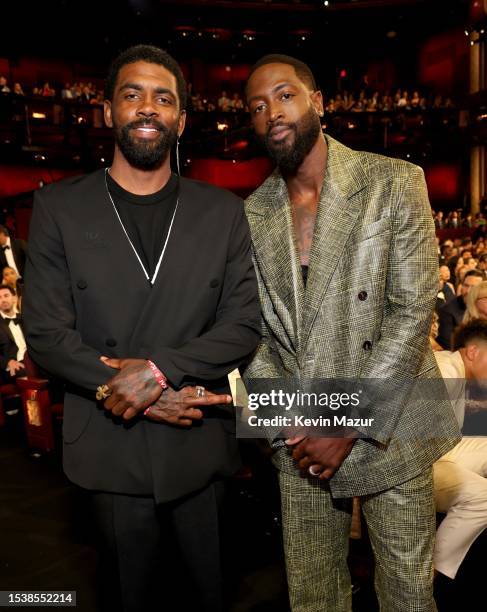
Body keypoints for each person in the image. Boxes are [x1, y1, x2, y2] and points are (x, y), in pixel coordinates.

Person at [23, 44, 260, 612]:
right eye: (132, 95)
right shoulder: (58, 205)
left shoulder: (222, 210)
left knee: (210, 595)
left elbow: (243, 323)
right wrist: (148, 397)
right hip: (109, 443)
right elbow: (48, 333)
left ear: (182, 119)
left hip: (198, 442)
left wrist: (157, 371)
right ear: (108, 112)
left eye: (163, 98)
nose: (147, 108)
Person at [243, 54, 460, 611]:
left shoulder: (394, 181)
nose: (272, 113)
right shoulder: (250, 214)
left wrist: (346, 421)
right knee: (314, 597)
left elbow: (411, 313)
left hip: (394, 422)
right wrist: (289, 427)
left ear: (318, 102)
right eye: (258, 106)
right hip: (301, 436)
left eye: (285, 95)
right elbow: (254, 335)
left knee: (408, 594)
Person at [433, 319, 487, 579]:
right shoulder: (446, 371)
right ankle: (432, 573)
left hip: (437, 451)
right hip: (414, 466)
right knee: (484, 496)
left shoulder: (455, 369)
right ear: (474, 352)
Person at [437, 269, 483, 349]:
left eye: (474, 287)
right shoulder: (447, 310)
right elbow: (450, 346)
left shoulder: (483, 307)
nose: (468, 291)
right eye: (466, 285)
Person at [0, 284, 26, 383]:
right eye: (0, 298)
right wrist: (8, 362)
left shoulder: (25, 318)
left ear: (14, 298)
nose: (3, 300)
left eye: (6, 295)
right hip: (10, 367)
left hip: (32, 360)